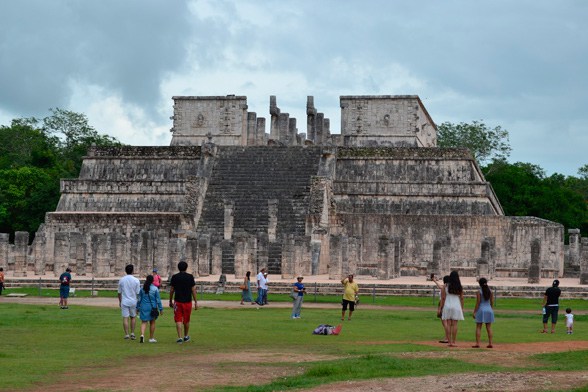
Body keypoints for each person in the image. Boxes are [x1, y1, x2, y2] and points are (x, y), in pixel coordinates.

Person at [169, 261, 198, 344]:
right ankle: (186, 336)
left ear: (178, 268)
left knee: (178, 319)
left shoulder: (175, 277)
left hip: (177, 301)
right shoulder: (190, 277)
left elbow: (172, 290)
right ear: (186, 267)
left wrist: (170, 300)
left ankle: (179, 337)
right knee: (186, 320)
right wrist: (196, 302)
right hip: (187, 301)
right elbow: (193, 290)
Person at [440, 271, 464, 347]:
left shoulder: (445, 286)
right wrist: (462, 308)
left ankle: (449, 341)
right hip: (456, 305)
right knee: (455, 324)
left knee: (448, 324)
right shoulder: (459, 286)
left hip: (448, 304)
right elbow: (462, 298)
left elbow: (443, 298)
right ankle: (453, 341)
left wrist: (441, 307)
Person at [137, 275, 163, 343]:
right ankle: (151, 338)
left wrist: (137, 307)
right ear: (153, 281)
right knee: (152, 322)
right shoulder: (155, 289)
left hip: (144, 307)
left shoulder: (142, 289)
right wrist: (161, 309)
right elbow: (158, 300)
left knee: (144, 322)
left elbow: (139, 299)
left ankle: (142, 335)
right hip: (152, 307)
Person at [118, 264, 141, 340]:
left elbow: (119, 293)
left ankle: (127, 334)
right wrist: (138, 303)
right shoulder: (136, 280)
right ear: (133, 271)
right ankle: (132, 333)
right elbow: (138, 293)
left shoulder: (122, 280)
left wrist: (120, 301)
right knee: (133, 317)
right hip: (133, 301)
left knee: (125, 318)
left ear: (125, 271)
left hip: (124, 301)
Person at [472, 277, 495, 348]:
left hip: (481, 309)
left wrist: (474, 311)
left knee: (478, 327)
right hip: (489, 309)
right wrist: (491, 308)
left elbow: (478, 302)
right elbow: (492, 302)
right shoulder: (490, 291)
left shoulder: (479, 292)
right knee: (489, 327)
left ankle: (478, 343)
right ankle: (490, 343)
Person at [433, 275, 450, 343]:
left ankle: (447, 337)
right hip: (448, 304)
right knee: (447, 322)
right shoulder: (449, 287)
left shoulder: (445, 287)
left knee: (444, 322)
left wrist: (440, 308)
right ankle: (448, 337)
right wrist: (434, 281)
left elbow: (442, 298)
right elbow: (440, 286)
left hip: (443, 304)